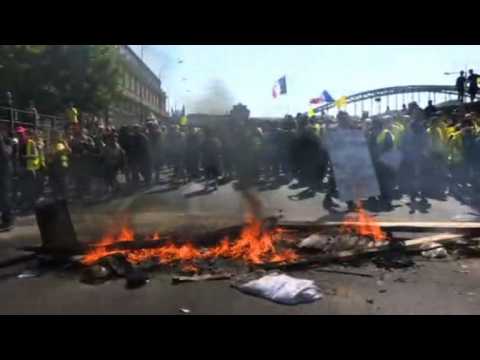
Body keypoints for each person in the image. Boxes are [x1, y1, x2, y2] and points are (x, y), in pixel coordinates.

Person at [48, 131, 71, 200]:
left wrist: (65, 144)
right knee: (56, 185)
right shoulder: (50, 145)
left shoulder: (60, 144)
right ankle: (58, 198)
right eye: (51, 136)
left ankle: (64, 198)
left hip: (61, 167)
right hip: (54, 167)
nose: (52, 137)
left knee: (62, 184)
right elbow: (49, 157)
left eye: (54, 136)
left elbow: (68, 151)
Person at [0, 127, 14, 230]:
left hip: (5, 173)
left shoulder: (8, 142)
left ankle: (8, 221)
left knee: (5, 197)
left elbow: (6, 154)